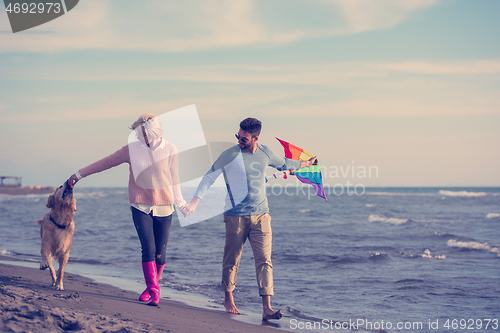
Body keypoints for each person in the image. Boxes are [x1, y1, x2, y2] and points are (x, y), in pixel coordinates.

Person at [180, 118, 316, 320]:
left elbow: (284, 164)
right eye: (238, 136)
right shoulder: (230, 154)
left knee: (265, 261)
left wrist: (305, 163)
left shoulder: (265, 152)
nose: (239, 140)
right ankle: (228, 298)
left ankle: (267, 308)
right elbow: (209, 177)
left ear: (255, 138)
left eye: (244, 138)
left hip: (262, 215)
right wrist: (194, 203)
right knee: (232, 260)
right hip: (235, 216)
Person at [68, 113, 186, 307]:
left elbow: (175, 179)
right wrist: (80, 174)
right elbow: (105, 162)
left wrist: (180, 203)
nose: (139, 137)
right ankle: (155, 293)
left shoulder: (170, 149)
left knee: (160, 255)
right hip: (140, 205)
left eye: (142, 134)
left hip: (165, 207)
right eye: (137, 134)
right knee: (148, 248)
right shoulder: (131, 149)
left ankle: (149, 288)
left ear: (153, 132)